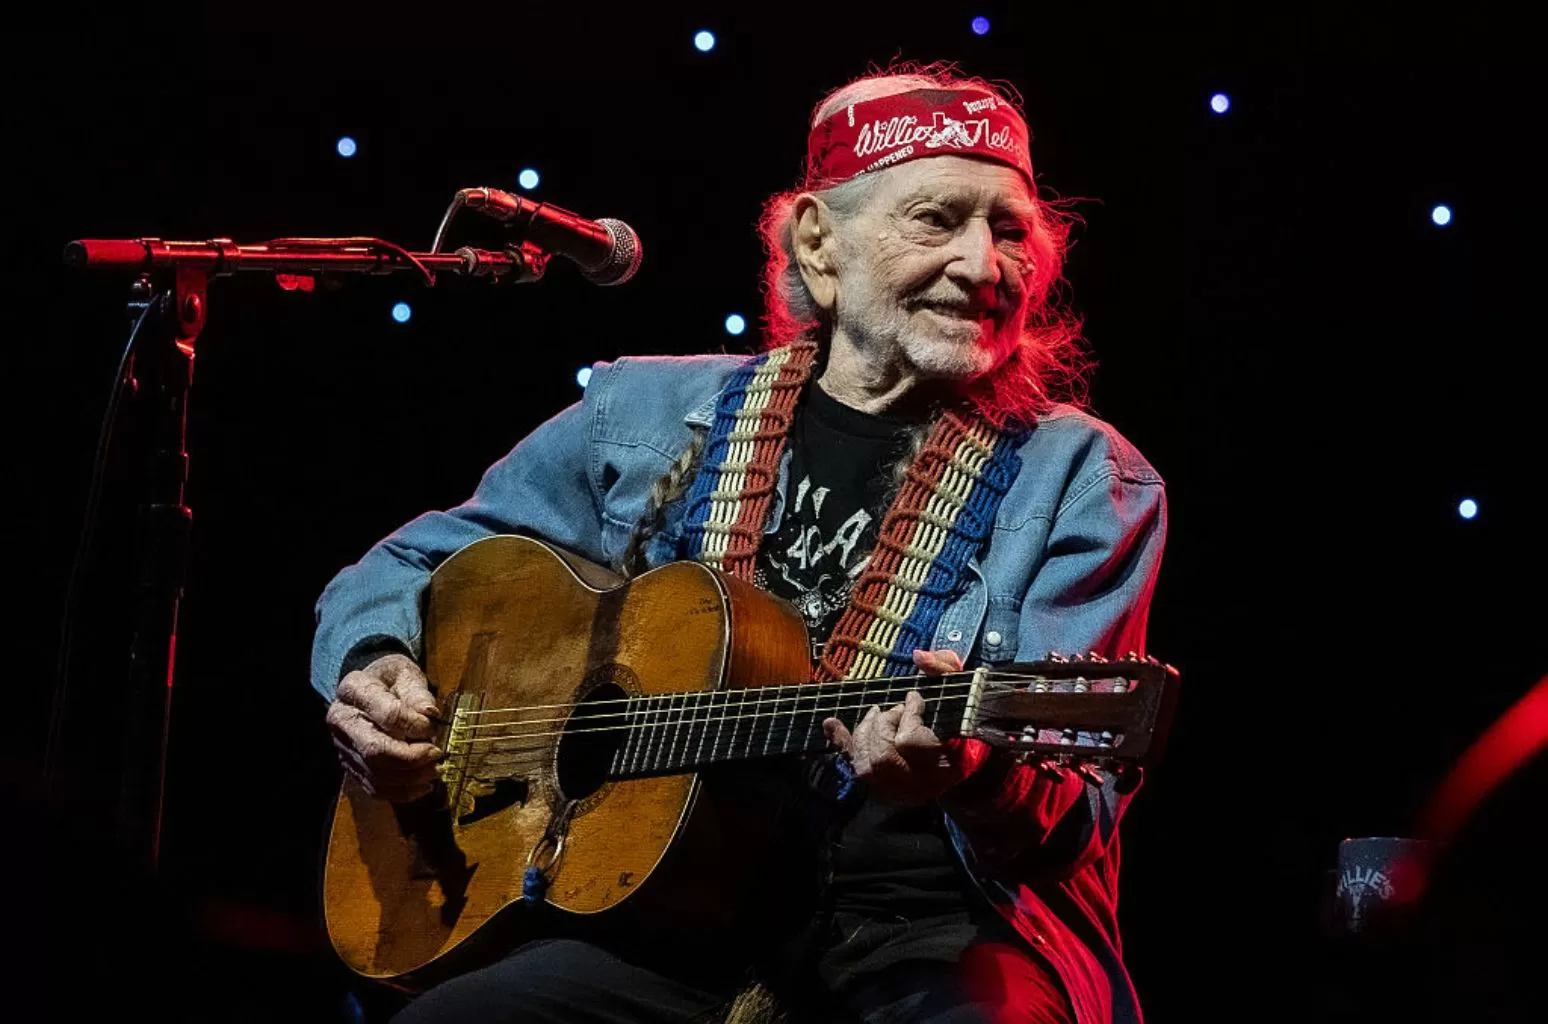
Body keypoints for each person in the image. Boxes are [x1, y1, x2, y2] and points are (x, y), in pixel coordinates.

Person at [312, 63, 1167, 1024]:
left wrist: (977, 777)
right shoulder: (641, 410)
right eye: (937, 220)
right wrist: (375, 665)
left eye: (1010, 231)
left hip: (928, 935)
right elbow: (400, 567)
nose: (984, 264)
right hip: (657, 921)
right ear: (819, 243)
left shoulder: (1086, 478)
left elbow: (1077, 813)